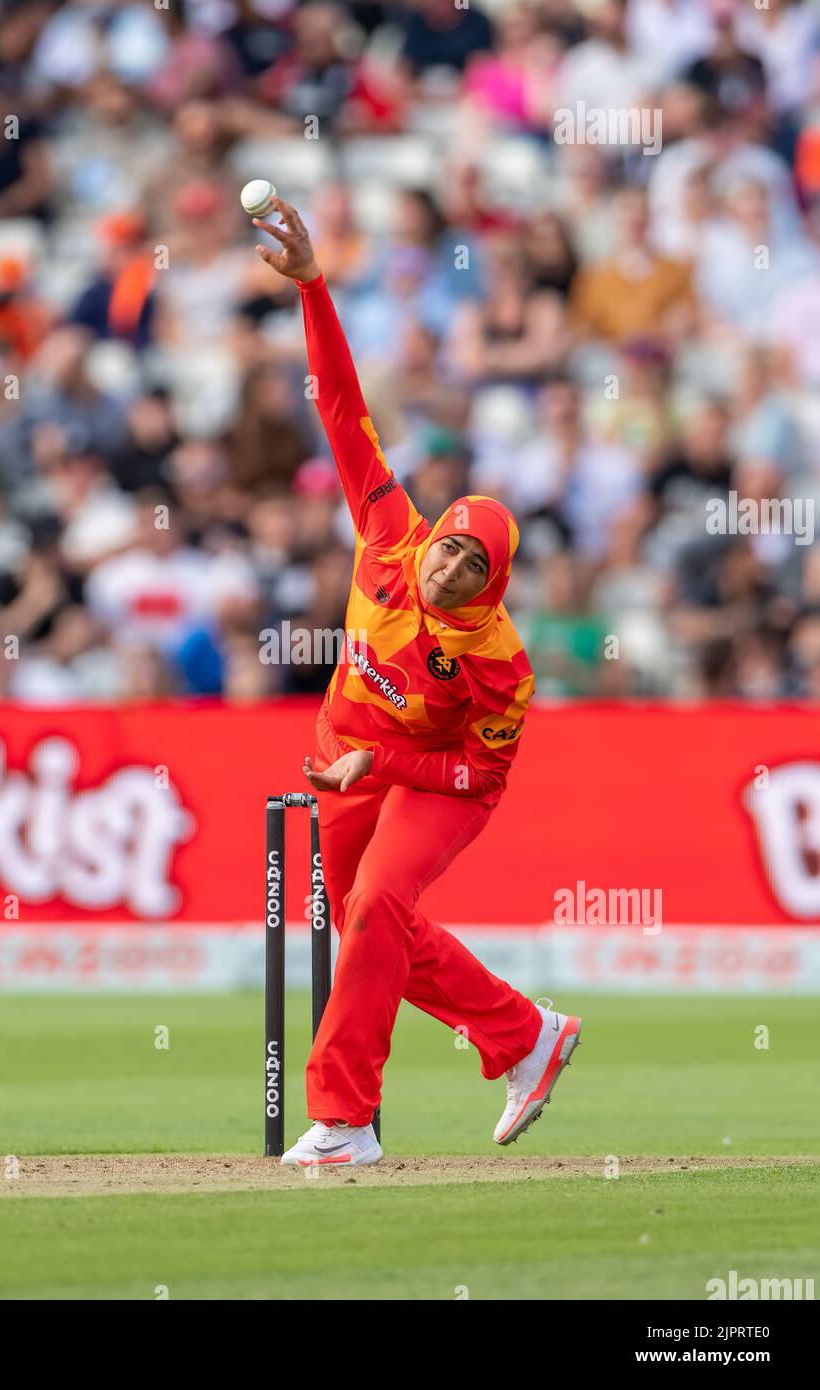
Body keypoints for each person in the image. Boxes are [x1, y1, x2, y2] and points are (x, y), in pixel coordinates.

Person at [252, 198, 581, 1167]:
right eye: (447, 553)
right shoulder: (387, 527)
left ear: (493, 585)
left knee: (376, 907)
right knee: (371, 927)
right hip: (343, 759)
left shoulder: (498, 664)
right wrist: (313, 286)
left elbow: (483, 780)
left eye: (469, 571)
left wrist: (381, 759)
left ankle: (345, 1121)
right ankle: (523, 1035)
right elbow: (339, 404)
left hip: (432, 778)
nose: (445, 573)